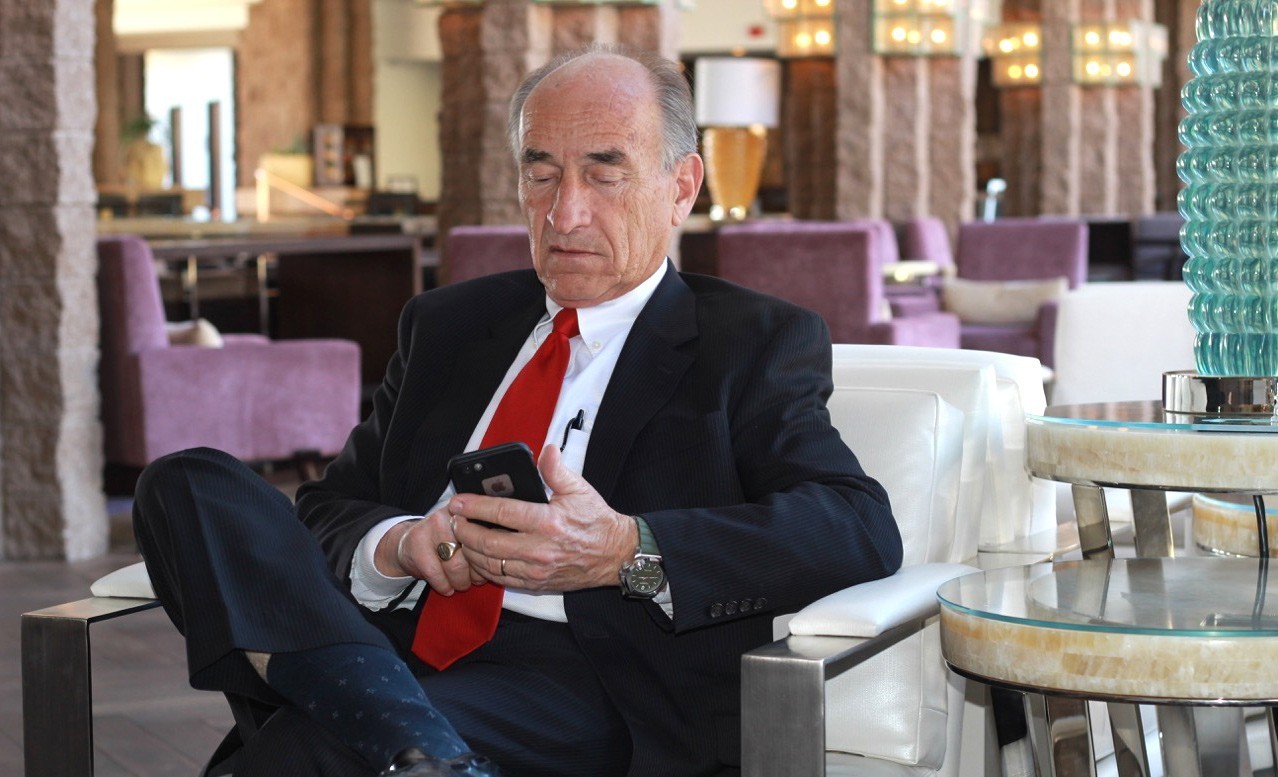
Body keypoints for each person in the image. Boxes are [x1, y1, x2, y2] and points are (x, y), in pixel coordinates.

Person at [132, 45, 903, 777]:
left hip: (581, 679)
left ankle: (381, 725)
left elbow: (856, 525)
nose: (564, 213)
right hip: (386, 643)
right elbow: (331, 507)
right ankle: (410, 738)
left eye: (604, 173)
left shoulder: (748, 341)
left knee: (314, 743)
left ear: (681, 186)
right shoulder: (448, 324)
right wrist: (399, 544)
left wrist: (625, 549)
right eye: (541, 175)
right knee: (187, 481)